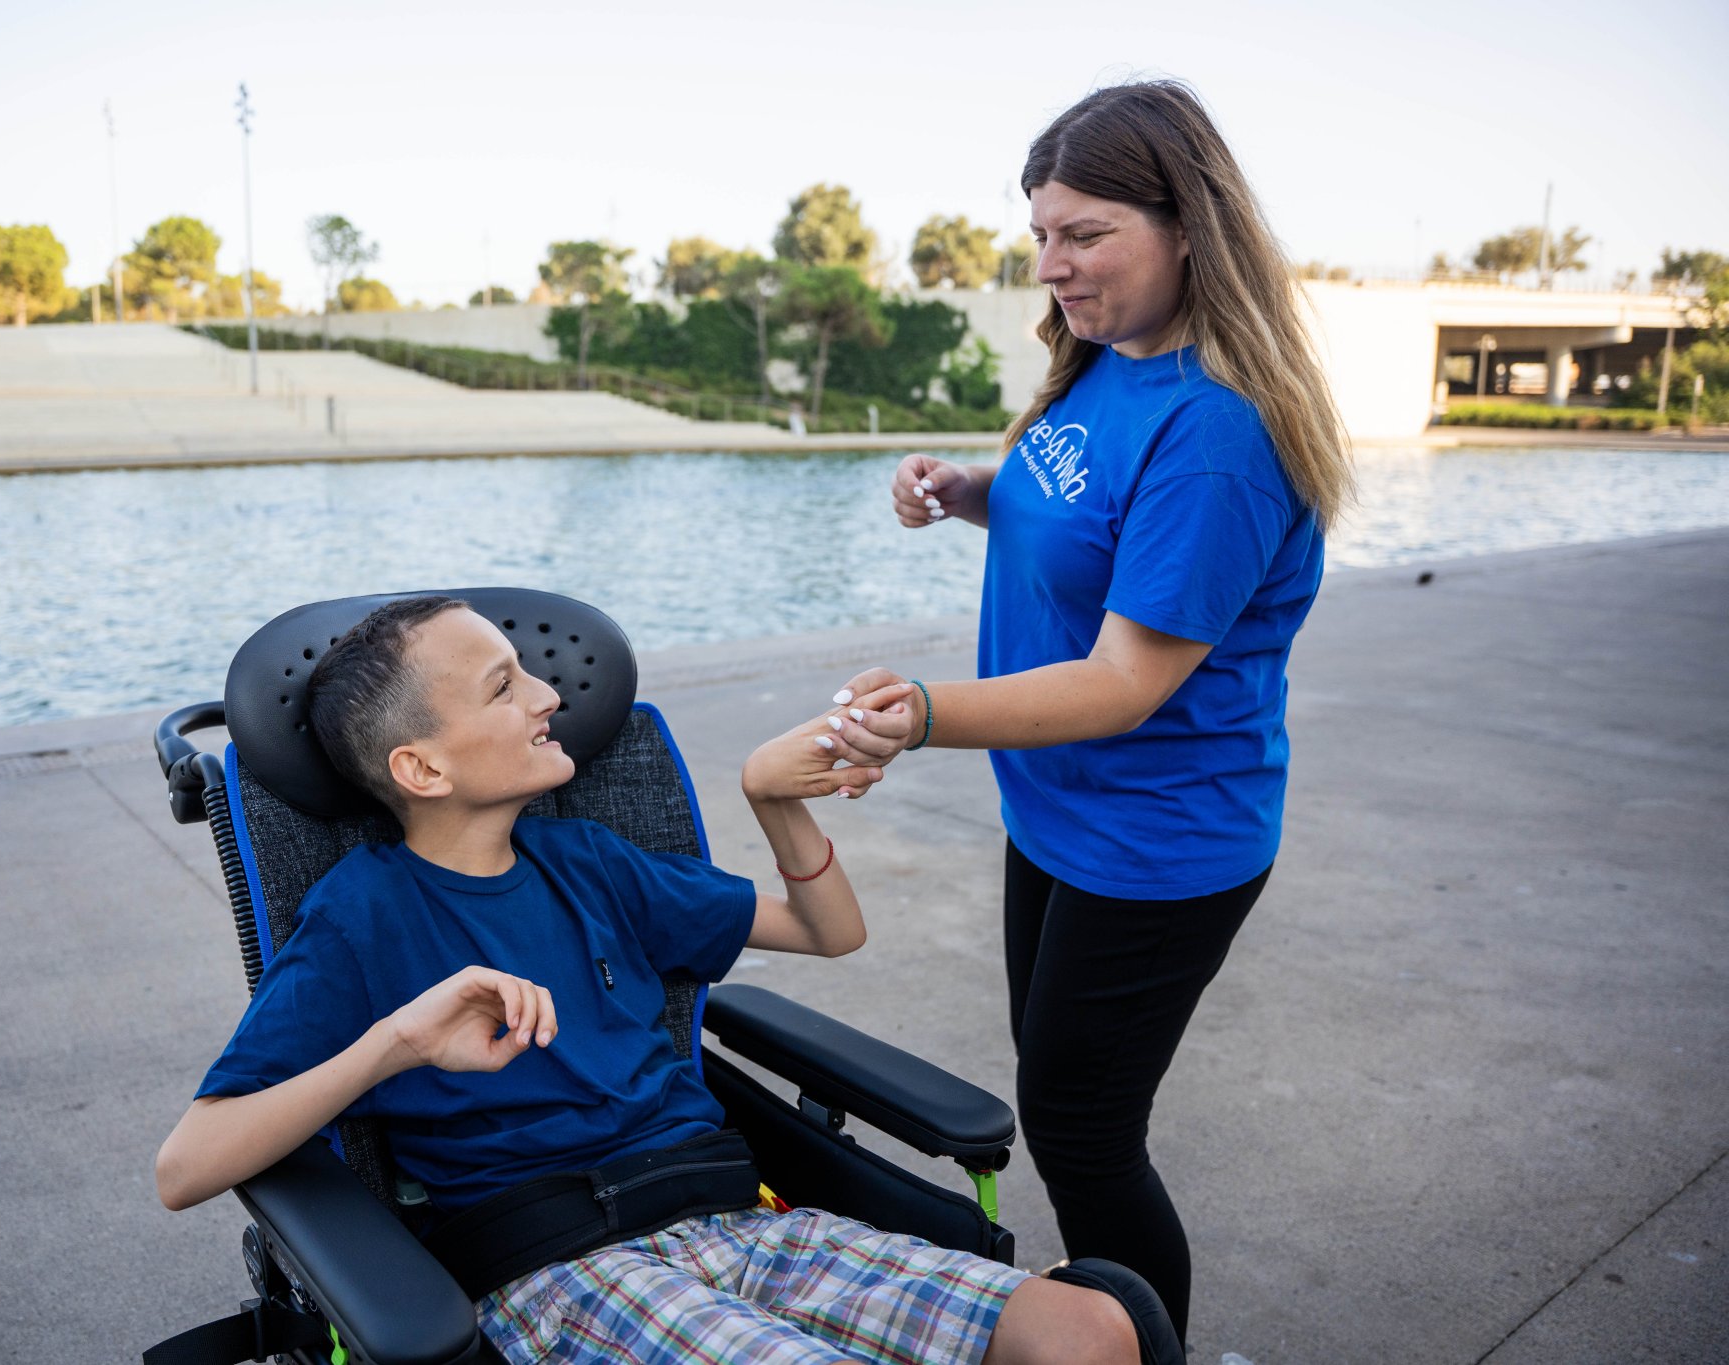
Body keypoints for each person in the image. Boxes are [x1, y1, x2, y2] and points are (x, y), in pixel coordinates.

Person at [155, 596, 1183, 1365]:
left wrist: (773, 800)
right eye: (505, 687)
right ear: (422, 769)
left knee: (1092, 1330)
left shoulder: (591, 863)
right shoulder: (362, 917)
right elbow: (186, 1166)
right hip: (560, 1266)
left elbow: (828, 931)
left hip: (738, 1216)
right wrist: (397, 1043)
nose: (549, 695)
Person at [815, 80, 1356, 1348]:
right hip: (1058, 815)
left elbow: (1122, 683)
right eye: (1039, 234)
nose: (1049, 265)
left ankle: (1133, 1344)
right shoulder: (1114, 359)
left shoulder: (1218, 435)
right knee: (1061, 1095)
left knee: (1081, 1130)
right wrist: (974, 492)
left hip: (1154, 843)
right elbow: (1089, 519)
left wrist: (920, 712)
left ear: (1189, 229)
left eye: (1084, 234)